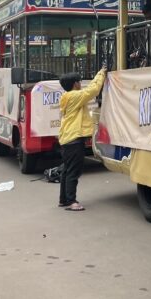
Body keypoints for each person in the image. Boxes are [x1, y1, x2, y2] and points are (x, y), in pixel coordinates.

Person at [57, 65, 107, 211]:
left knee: (67, 170)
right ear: (75, 84)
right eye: (79, 81)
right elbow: (93, 90)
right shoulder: (74, 96)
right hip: (74, 139)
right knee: (73, 171)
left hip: (67, 139)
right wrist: (102, 73)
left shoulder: (68, 97)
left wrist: (98, 74)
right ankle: (71, 201)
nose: (81, 84)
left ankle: (63, 199)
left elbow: (88, 89)